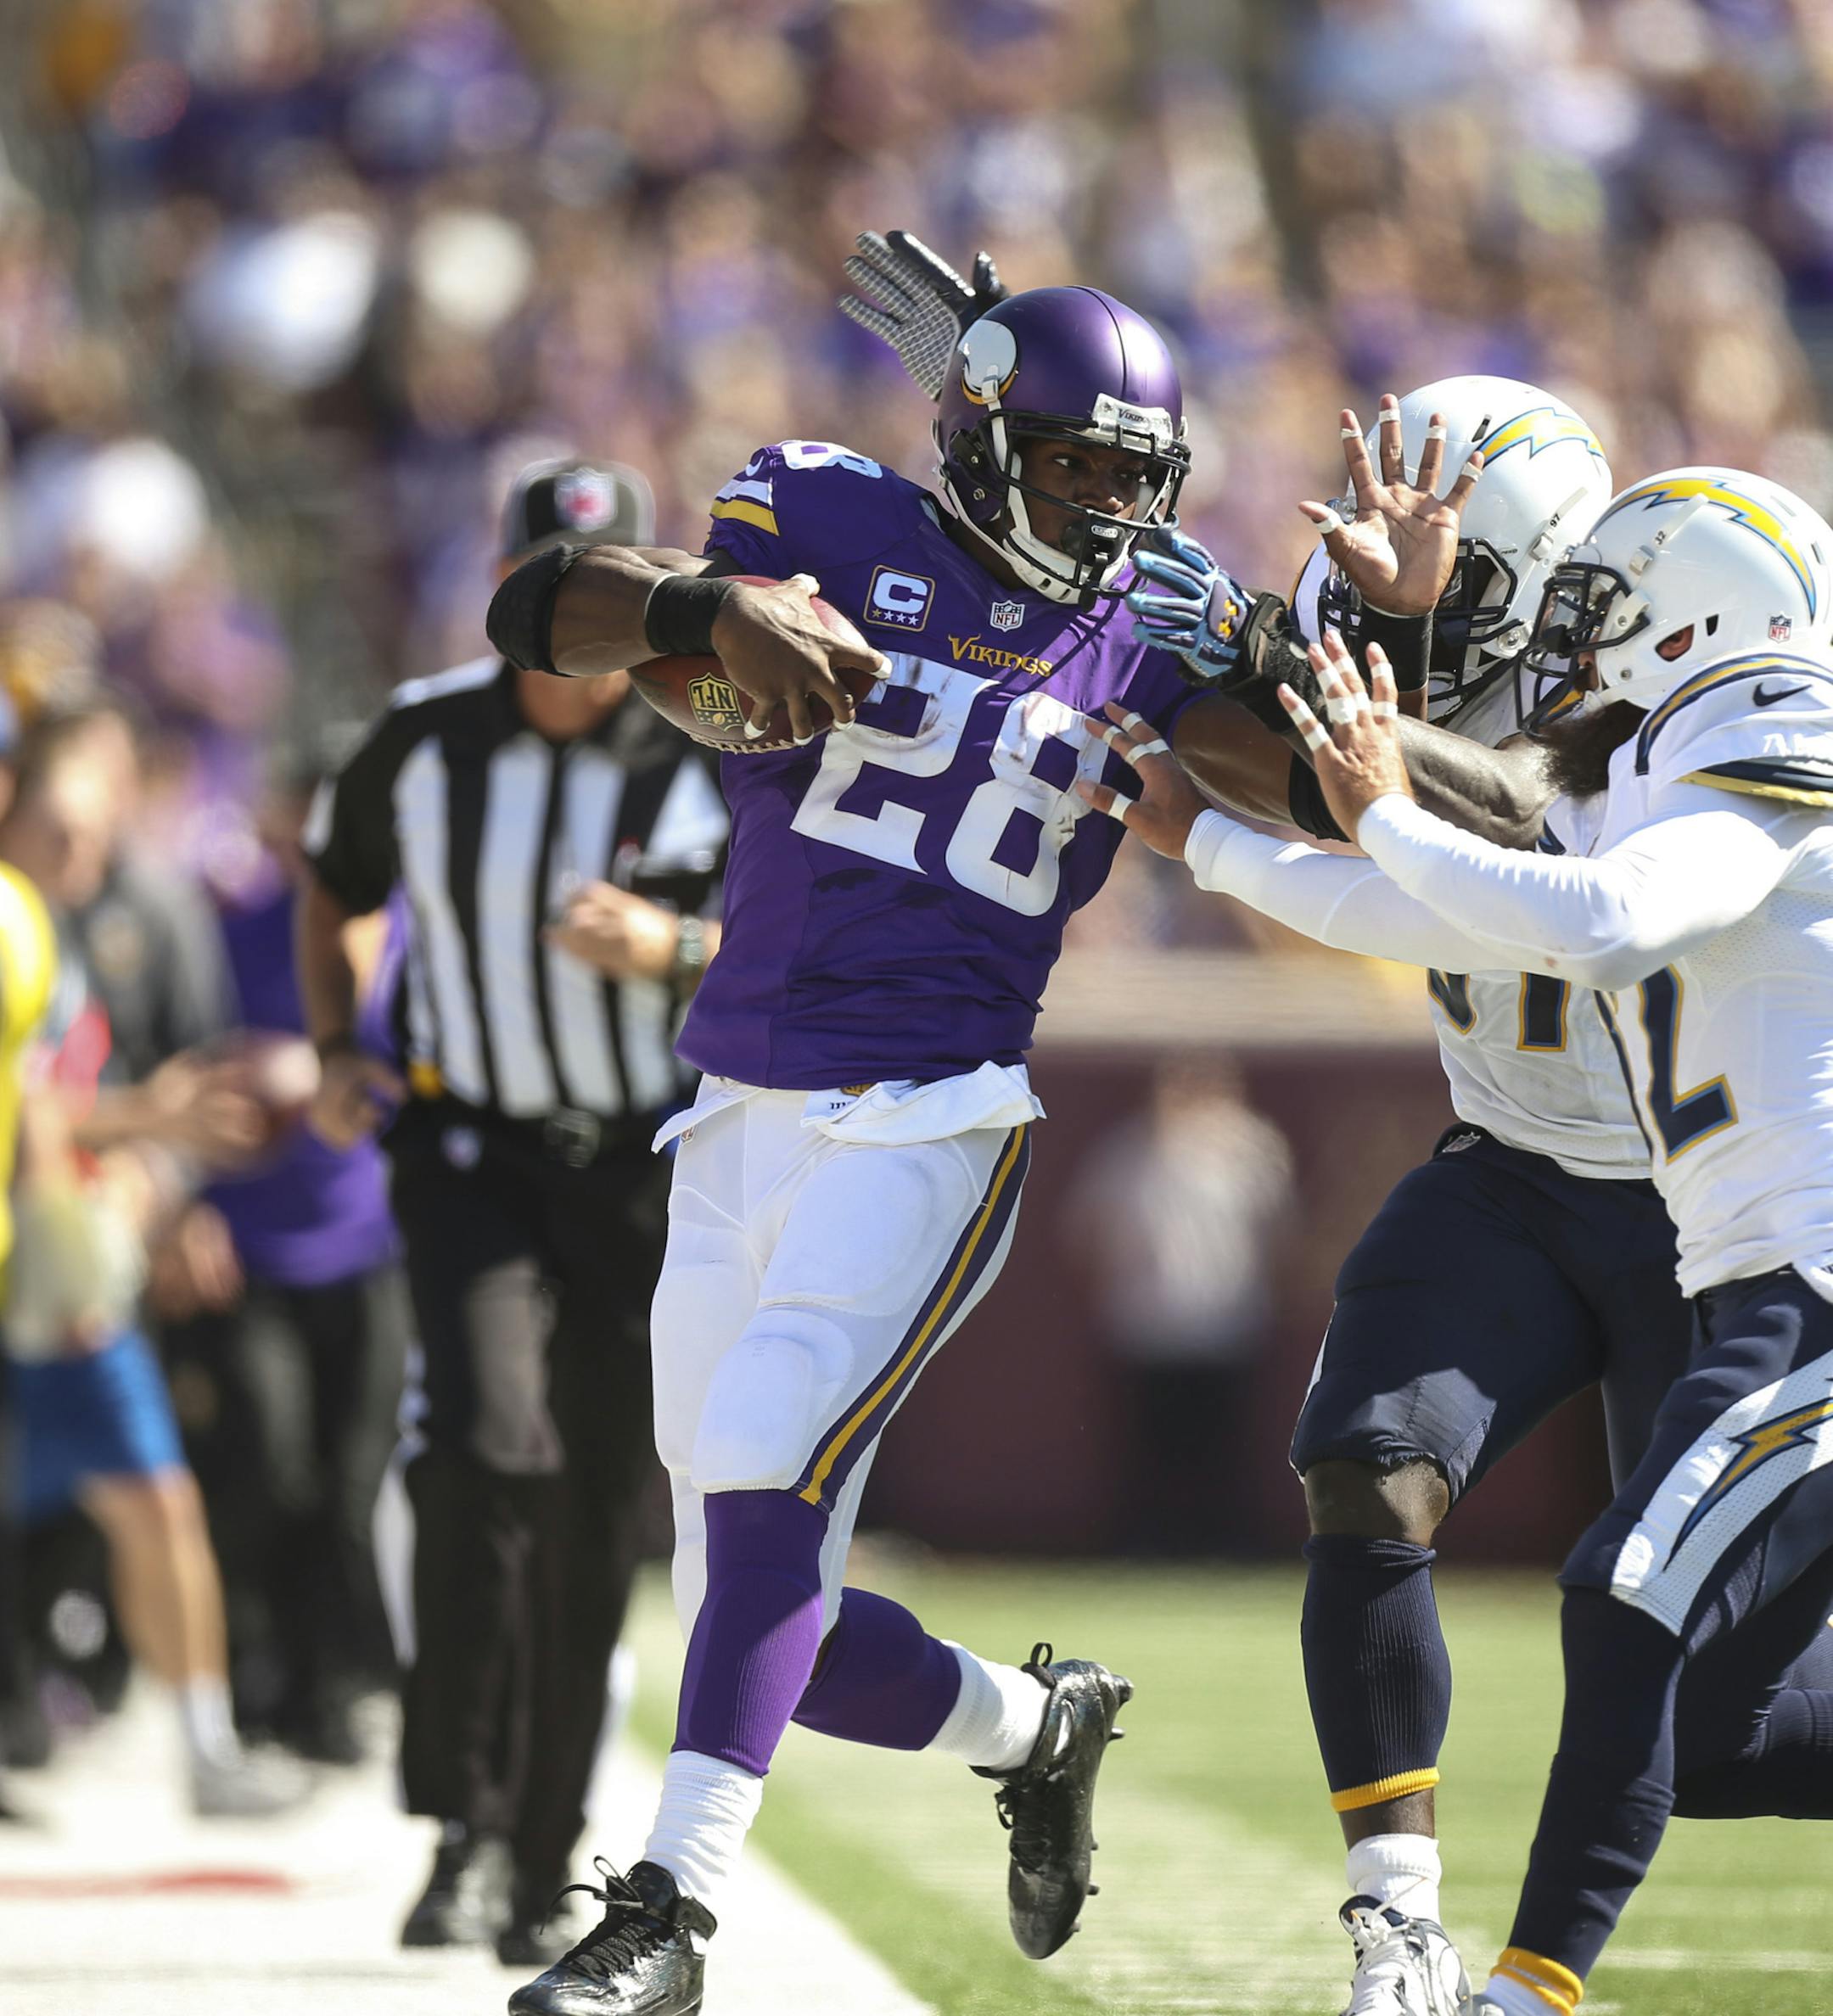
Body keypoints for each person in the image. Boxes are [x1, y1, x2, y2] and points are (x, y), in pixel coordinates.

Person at [481, 276, 1483, 2016]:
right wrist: (712, 605)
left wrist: (1365, 638)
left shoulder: (1158, 630)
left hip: (938, 1114)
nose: (1123, 512)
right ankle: (1039, 1724)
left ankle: (666, 1919)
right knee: (748, 1600)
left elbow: (1353, 792)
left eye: (1142, 478)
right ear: (985, 441)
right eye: (1088, 471)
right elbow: (539, 613)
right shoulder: (820, 511)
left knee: (773, 1464)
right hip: (732, 1108)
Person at [1102, 466, 1833, 2016]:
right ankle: (1433, 1939)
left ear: (1700, 616)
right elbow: (1470, 902)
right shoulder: (1653, 756)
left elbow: (1592, 909)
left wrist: (1364, 789)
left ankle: (1524, 1991)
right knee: (1705, 1737)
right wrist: (1217, 849)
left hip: (1787, 1268)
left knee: (1631, 1595)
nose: (1577, 645)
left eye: (1605, 612)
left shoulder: (1770, 744)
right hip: (1680, 1241)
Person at [300, 456, 727, 1965]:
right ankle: (461, 1822)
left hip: (638, 1167)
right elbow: (331, 880)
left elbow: (790, 943)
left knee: (599, 1503)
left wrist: (674, 944)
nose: (589, 632)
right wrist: (345, 1046)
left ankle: (543, 1853)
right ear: (516, 595)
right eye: (565, 593)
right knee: (487, 1454)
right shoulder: (422, 740)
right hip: (470, 1151)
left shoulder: (711, 748)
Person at [1, 703, 305, 1817]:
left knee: (153, 1499)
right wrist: (148, 1126)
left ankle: (205, 1744)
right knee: (149, 1501)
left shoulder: (63, 919)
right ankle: (202, 1747)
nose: (87, 846)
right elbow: (33, 1118)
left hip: (50, 1256)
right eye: (62, 823)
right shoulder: (14, 921)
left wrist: (151, 1173)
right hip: (42, 1261)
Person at [186, 731, 409, 1763]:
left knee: (352, 1482)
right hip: (250, 1241)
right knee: (266, 1467)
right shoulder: (227, 933)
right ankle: (255, 1682)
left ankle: (332, 1692)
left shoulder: (408, 930)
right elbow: (174, 1057)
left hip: (368, 1241)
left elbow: (435, 1064)